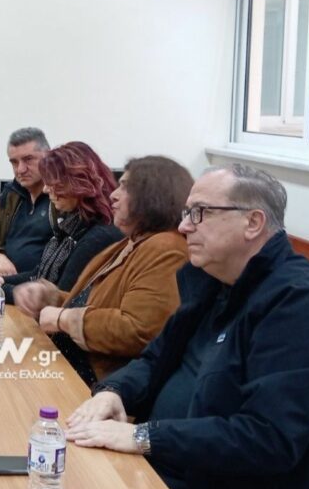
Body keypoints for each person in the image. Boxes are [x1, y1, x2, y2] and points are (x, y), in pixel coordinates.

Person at [66, 164, 309, 489]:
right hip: (172, 473)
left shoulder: (303, 305)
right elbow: (157, 358)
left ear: (252, 223)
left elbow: (267, 439)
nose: (183, 226)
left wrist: (144, 436)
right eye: (186, 213)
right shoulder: (214, 281)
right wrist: (114, 392)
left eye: (200, 213)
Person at [11, 155, 192, 387]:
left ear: (152, 196)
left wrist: (63, 318)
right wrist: (50, 297)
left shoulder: (166, 248)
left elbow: (138, 330)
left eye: (125, 187)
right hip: (72, 365)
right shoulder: (132, 242)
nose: (113, 195)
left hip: (97, 383)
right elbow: (95, 303)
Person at [0, 141, 124, 307]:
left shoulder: (99, 236)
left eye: (52, 182)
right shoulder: (73, 225)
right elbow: (40, 275)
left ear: (79, 184)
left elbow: (60, 297)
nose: (45, 189)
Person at [0, 127, 55, 277]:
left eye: (28, 159)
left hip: (39, 286)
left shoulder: (62, 198)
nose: (20, 170)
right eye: (14, 162)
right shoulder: (12, 194)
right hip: (2, 281)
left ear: (48, 156)